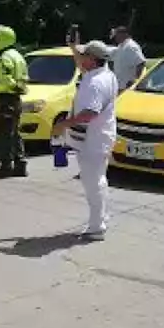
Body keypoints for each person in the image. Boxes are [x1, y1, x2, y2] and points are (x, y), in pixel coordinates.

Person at [52, 40, 119, 241]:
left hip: (94, 139)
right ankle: (102, 217)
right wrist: (74, 47)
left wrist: (64, 124)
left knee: (93, 183)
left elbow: (90, 112)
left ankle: (96, 227)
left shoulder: (95, 83)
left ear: (92, 59)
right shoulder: (104, 74)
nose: (79, 59)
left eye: (83, 55)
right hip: (102, 136)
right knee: (99, 179)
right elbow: (81, 65)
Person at [0, 25, 29, 178]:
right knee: (15, 132)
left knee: (4, 134)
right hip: (16, 99)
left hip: (6, 98)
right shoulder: (18, 55)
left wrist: (11, 87)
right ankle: (20, 164)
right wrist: (20, 88)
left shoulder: (4, 58)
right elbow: (24, 78)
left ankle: (6, 167)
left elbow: (6, 79)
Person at [111, 26, 146, 91]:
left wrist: (135, 80)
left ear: (123, 34)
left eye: (116, 35)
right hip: (119, 85)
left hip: (127, 87)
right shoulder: (121, 46)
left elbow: (141, 63)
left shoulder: (131, 46)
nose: (115, 38)